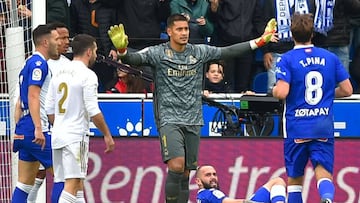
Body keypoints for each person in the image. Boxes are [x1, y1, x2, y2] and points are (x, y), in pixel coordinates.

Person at [108, 13, 277, 202]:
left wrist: (260, 42)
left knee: (186, 173)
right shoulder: (157, 53)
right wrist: (122, 50)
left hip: (194, 119)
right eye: (179, 29)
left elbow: (228, 51)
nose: (184, 33)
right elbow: (133, 58)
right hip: (169, 118)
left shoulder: (198, 52)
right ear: (169, 31)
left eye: (186, 29)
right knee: (177, 166)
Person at [272, 13, 353, 203]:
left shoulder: (287, 59)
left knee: (294, 179)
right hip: (322, 125)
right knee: (323, 171)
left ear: (291, 34)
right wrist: (327, 93)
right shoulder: (330, 57)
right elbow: (347, 90)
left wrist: (274, 90)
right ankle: (326, 198)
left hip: (297, 126)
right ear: (312, 34)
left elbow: (282, 92)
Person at [45, 33, 115, 203]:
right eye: (96, 50)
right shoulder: (88, 75)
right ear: (89, 52)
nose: (97, 55)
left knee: (74, 184)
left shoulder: (59, 72)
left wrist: (62, 124)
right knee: (73, 183)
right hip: (76, 136)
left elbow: (48, 108)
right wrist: (107, 134)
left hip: (58, 134)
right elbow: (93, 109)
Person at [11, 24, 60, 203]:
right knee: (65, 177)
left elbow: (19, 102)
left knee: (24, 184)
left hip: (24, 128)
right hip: (36, 130)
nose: (58, 43)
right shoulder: (39, 64)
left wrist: (20, 128)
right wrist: (38, 128)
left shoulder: (28, 63)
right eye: (55, 39)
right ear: (45, 42)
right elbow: (33, 95)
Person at [196, 165, 286, 203]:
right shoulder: (210, 193)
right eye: (208, 175)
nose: (213, 177)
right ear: (198, 181)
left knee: (277, 181)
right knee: (277, 181)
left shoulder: (200, 197)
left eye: (214, 174)